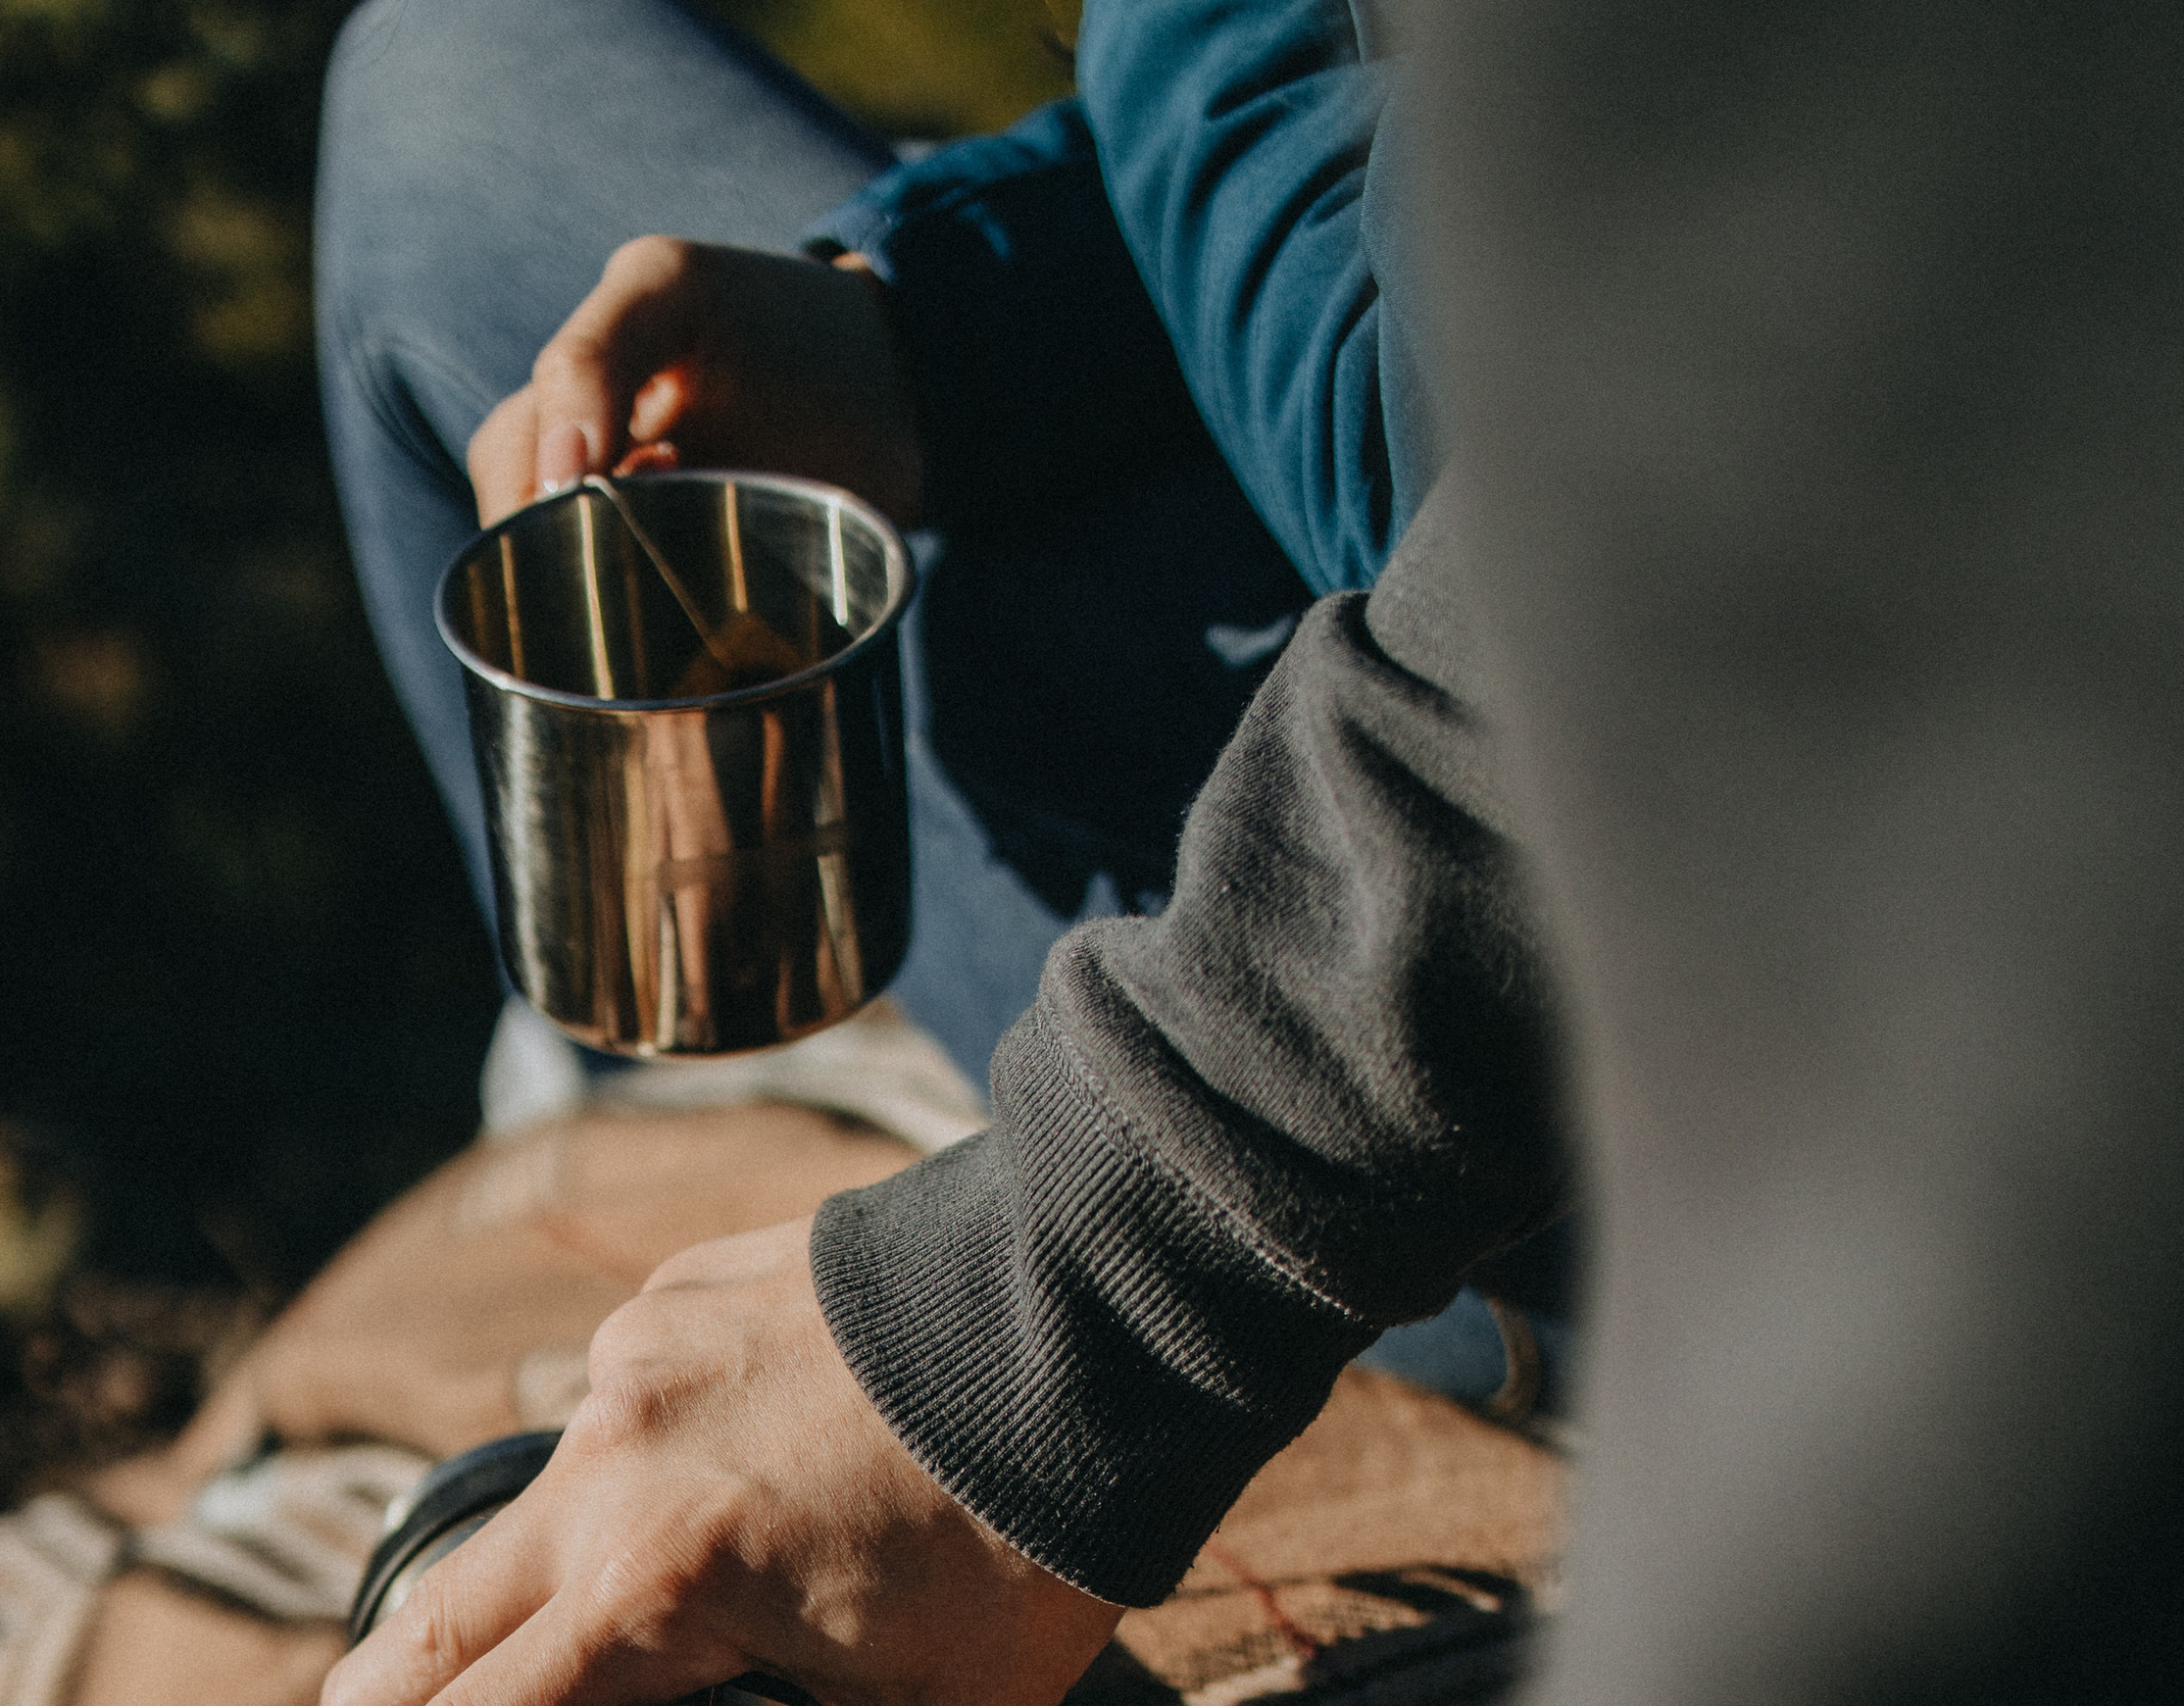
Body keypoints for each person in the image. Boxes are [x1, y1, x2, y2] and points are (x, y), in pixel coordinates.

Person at [320, 0, 2184, 1706]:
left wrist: (1080, 1290)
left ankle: (871, 1170)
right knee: (465, 98)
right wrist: (952, 320)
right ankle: (727, 1116)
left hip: (1831, 940)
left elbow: (1908, 390)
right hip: (1477, 631)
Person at [315, 0, 1429, 1096]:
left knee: (430, 145)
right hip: (1343, 537)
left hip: (1417, 968)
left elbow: (1439, 532)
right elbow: (1408, 150)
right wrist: (923, 336)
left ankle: (692, 1079)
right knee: (444, 72)